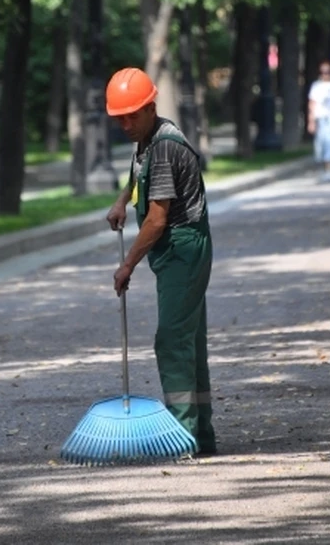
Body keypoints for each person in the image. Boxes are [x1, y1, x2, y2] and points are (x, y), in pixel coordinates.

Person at [104, 66, 216, 456]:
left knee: (171, 340)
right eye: (120, 117)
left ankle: (182, 435)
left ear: (151, 106)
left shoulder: (166, 148)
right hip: (177, 248)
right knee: (189, 339)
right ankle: (200, 437)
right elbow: (138, 174)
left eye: (132, 115)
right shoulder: (150, 138)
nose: (126, 123)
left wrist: (128, 264)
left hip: (182, 248)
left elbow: (156, 218)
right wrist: (122, 199)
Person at [307, 61, 330, 183]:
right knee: (320, 144)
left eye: (327, 72)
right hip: (320, 117)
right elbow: (312, 104)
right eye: (323, 72)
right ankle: (324, 168)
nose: (325, 75)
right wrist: (311, 120)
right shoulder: (316, 86)